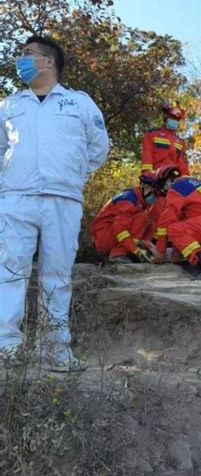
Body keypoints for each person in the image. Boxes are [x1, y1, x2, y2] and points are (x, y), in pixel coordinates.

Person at [0, 35, 109, 370]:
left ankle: (55, 350)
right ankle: (7, 348)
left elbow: (98, 148)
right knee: (9, 271)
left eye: (28, 55)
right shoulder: (10, 105)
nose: (22, 60)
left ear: (49, 62)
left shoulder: (79, 103)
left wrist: (73, 177)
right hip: (16, 198)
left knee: (57, 274)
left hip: (63, 200)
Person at [90, 171, 165, 263]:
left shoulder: (139, 200)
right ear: (146, 187)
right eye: (155, 193)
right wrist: (136, 251)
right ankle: (118, 255)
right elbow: (120, 229)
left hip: (107, 236)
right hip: (104, 238)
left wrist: (147, 248)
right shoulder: (127, 200)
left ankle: (126, 252)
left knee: (147, 220)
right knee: (143, 218)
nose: (155, 197)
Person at [141, 103, 189, 176]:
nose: (175, 121)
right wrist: (147, 173)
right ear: (165, 117)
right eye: (173, 118)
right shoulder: (152, 134)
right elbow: (147, 155)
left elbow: (183, 164)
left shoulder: (180, 141)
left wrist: (185, 179)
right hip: (156, 176)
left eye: (177, 120)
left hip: (174, 176)